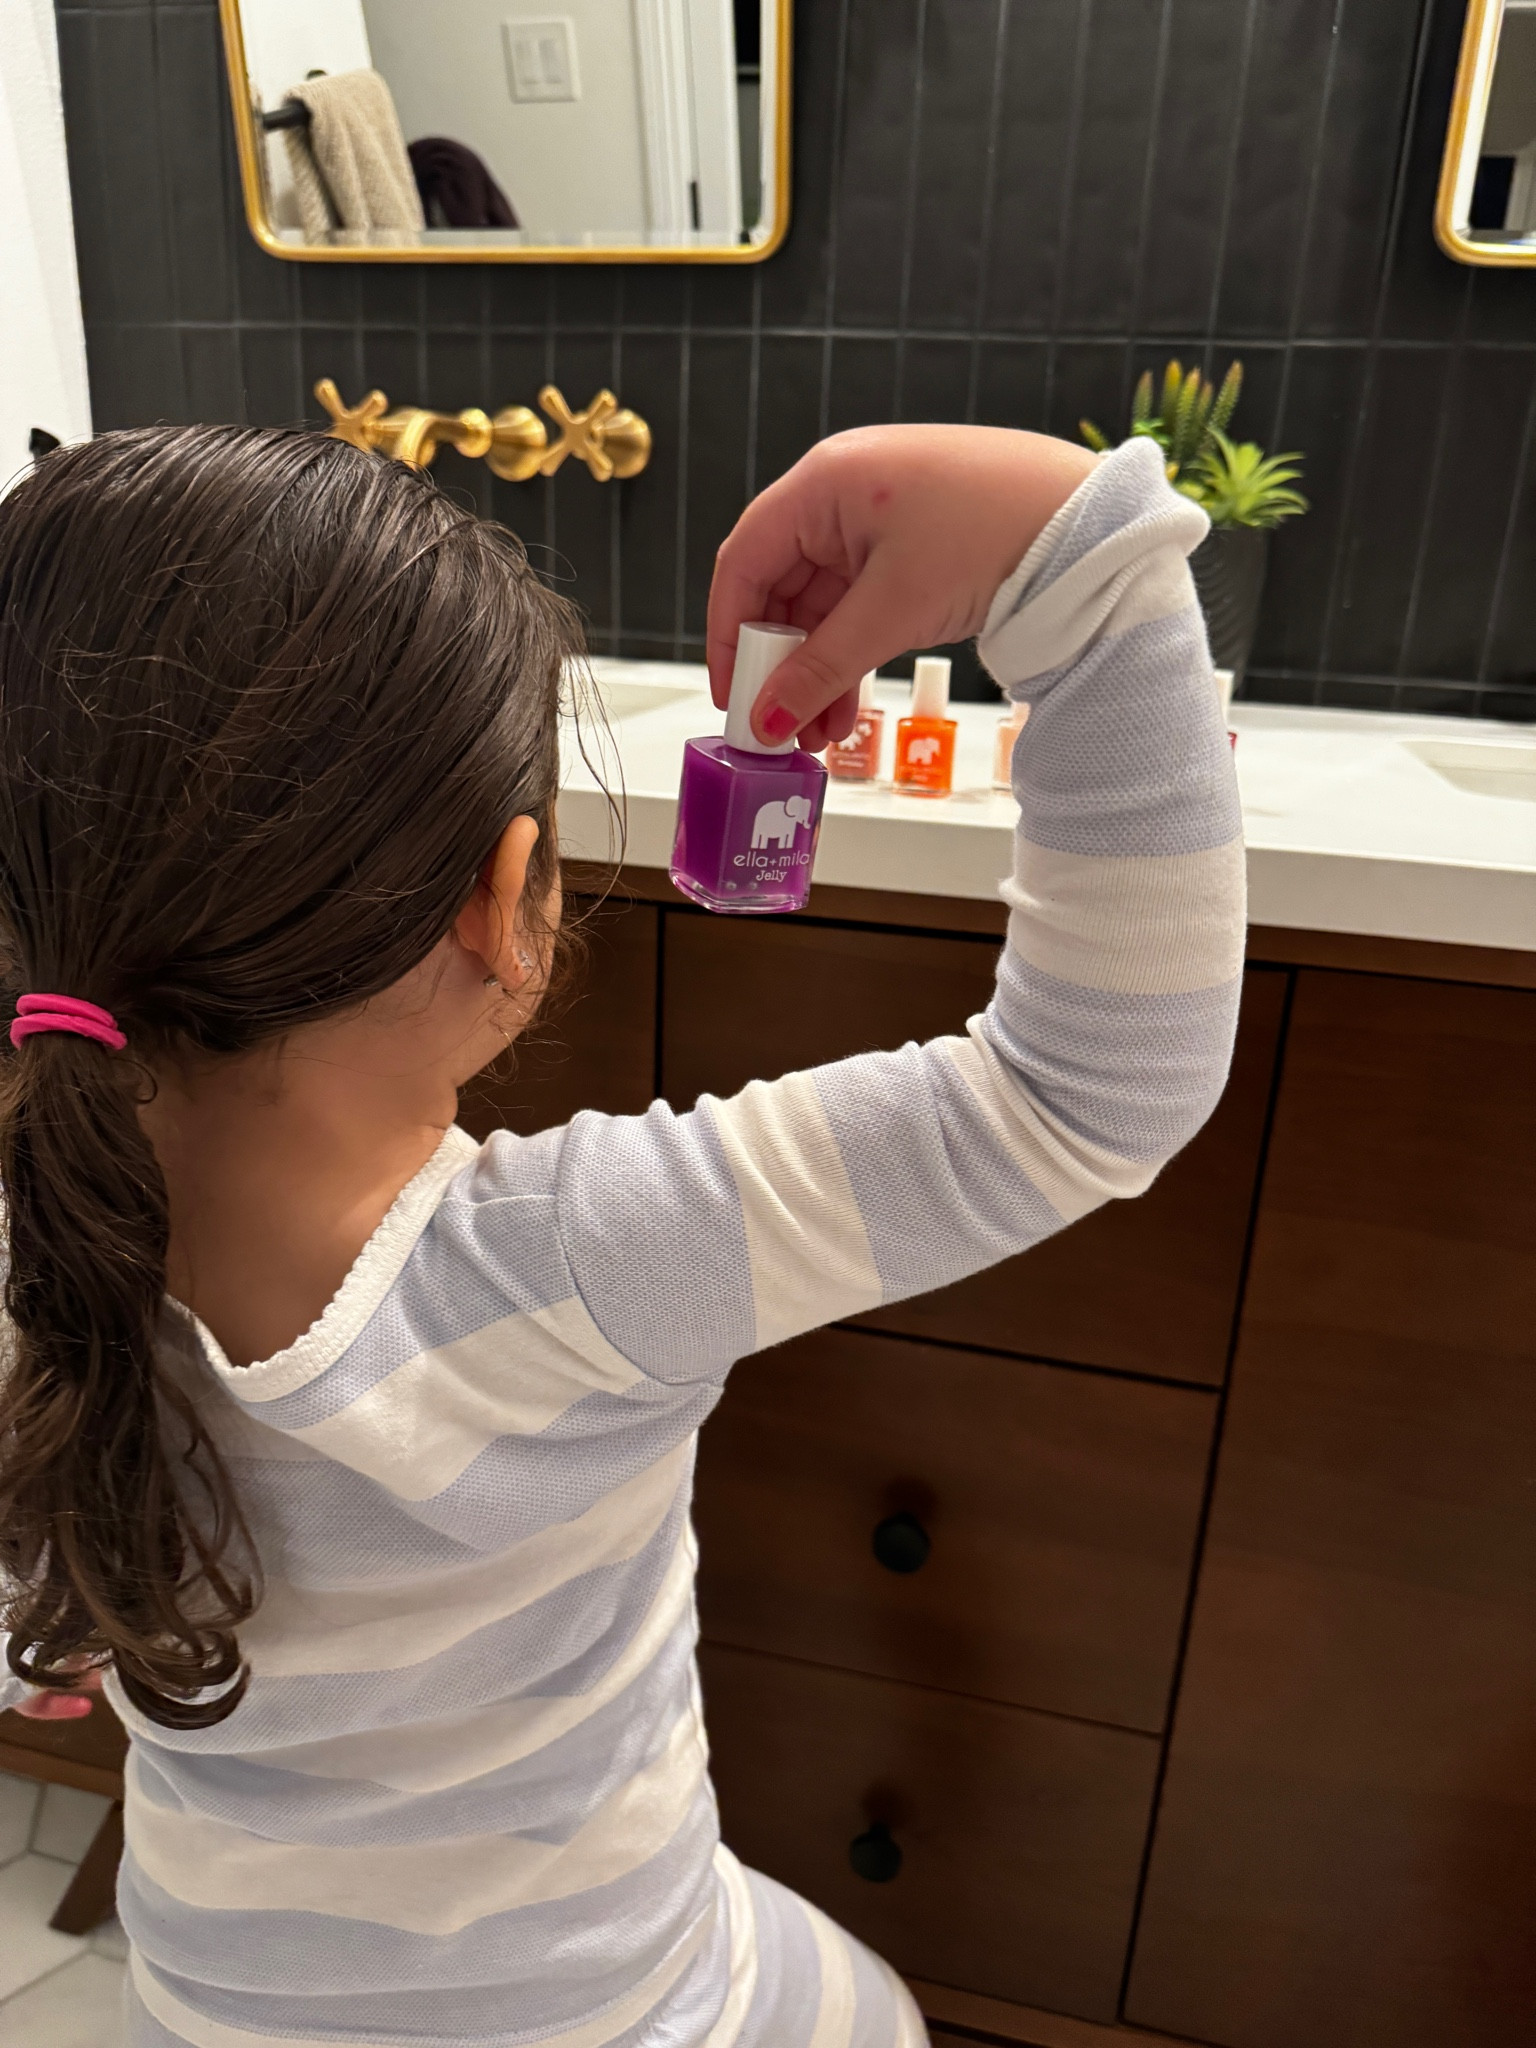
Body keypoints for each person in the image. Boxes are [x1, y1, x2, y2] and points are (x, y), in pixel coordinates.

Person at [0, 419, 1244, 2048]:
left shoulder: (42, 1271)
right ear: (505, 896)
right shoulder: (590, 1263)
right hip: (606, 2010)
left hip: (208, 2007)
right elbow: (1085, 1093)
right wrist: (1078, 571)